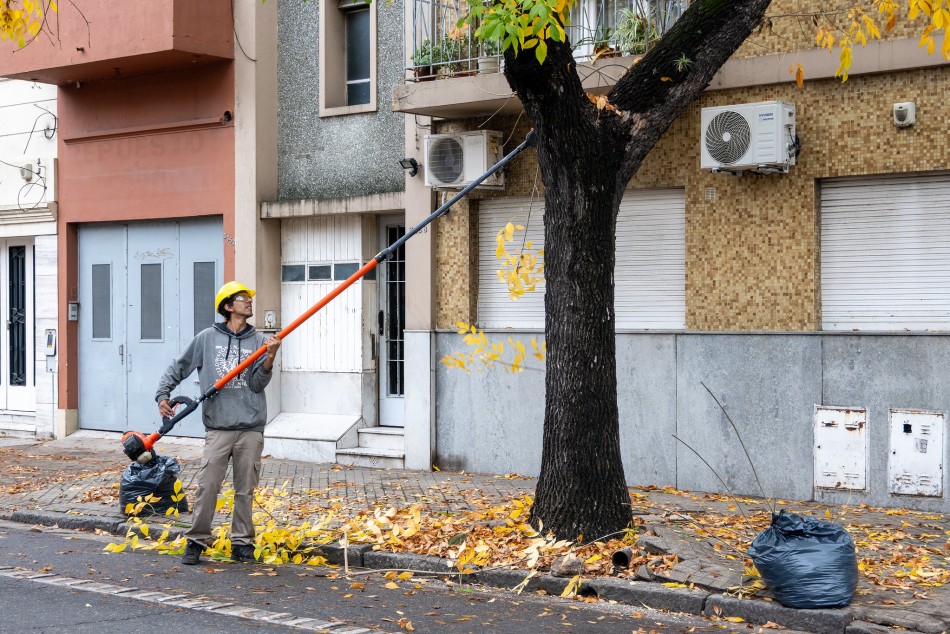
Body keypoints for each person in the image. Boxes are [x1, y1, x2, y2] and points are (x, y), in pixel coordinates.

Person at [155, 281, 281, 565]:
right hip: (218, 427)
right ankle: (196, 541)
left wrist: (270, 356)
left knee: (245, 491)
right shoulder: (207, 339)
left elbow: (257, 384)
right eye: (242, 298)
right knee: (207, 487)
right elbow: (179, 367)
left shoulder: (260, 341)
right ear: (227, 306)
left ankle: (242, 544)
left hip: (250, 427)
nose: (249, 301)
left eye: (249, 297)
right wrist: (163, 394)